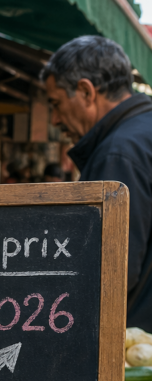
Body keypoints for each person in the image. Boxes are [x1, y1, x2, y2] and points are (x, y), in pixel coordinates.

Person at [41, 35, 152, 327]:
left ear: (86, 91)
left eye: (56, 103)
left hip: (134, 344)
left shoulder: (119, 154)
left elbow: (112, 273)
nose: (54, 119)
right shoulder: (142, 135)